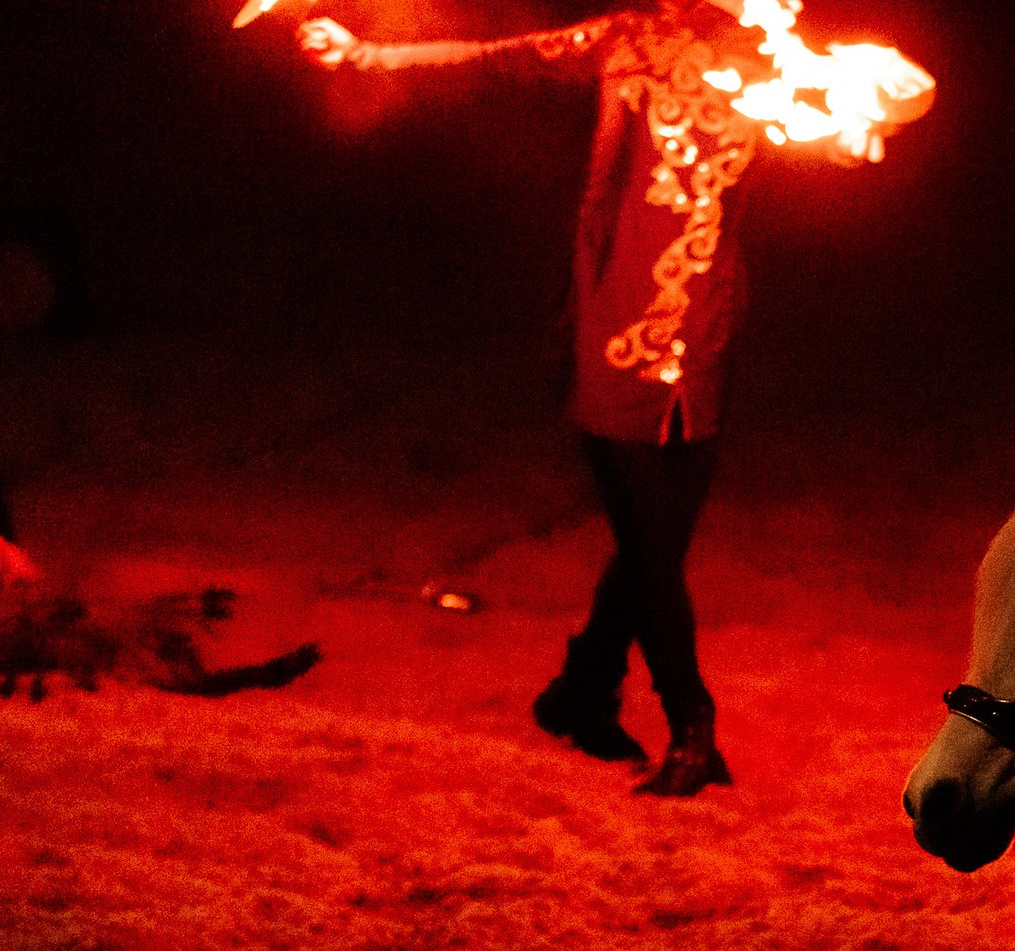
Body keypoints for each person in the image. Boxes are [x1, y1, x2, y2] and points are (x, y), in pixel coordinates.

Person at [300, 1, 838, 795]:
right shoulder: (630, 41)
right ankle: (693, 726)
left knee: (653, 547)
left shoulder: (774, 57)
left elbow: (856, 115)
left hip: (705, 329)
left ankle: (581, 691)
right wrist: (368, 56)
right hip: (617, 317)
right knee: (653, 551)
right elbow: (499, 58)